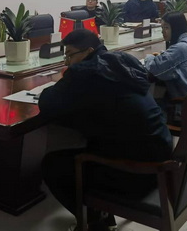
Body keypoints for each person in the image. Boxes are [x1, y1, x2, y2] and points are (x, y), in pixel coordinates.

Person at [39, 29, 172, 231]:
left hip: (137, 172)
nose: (67, 62)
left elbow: (47, 102)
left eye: (70, 55)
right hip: (161, 157)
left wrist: (63, 82)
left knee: (53, 164)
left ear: (88, 51)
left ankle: (93, 223)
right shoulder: (122, 60)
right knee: (90, 142)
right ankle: (100, 218)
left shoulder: (85, 71)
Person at [144, 12, 187, 119]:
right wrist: (163, 56)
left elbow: (154, 67)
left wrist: (149, 57)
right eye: (162, 27)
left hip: (185, 108)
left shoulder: (180, 48)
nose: (163, 31)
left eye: (166, 27)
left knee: (145, 107)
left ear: (176, 28)